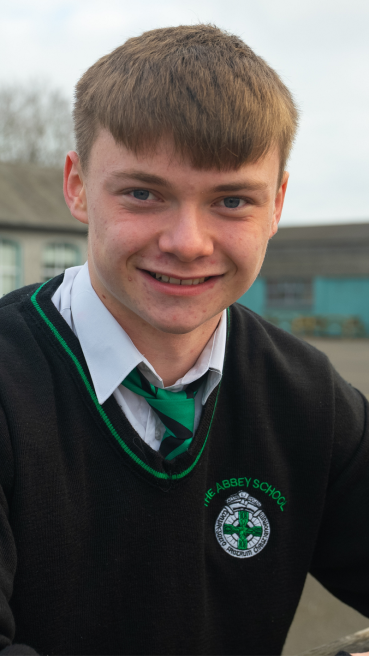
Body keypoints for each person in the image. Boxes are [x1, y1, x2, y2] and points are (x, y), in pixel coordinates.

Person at [0, 24, 368, 656]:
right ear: (78, 185)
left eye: (232, 200)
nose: (188, 242)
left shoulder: (308, 398)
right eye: (143, 193)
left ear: (277, 203)